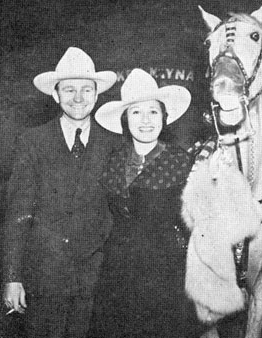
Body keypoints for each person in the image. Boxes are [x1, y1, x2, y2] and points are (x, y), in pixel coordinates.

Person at [2, 47, 121, 338]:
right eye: (69, 90)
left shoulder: (114, 144)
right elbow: (18, 213)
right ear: (55, 95)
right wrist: (12, 277)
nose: (78, 98)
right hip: (44, 278)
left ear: (96, 94)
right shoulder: (33, 141)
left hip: (96, 281)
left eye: (86, 90)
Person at [87, 69, 206, 338]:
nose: (145, 121)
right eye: (135, 112)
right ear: (125, 120)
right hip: (116, 275)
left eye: (153, 112)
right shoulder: (113, 160)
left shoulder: (181, 162)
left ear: (164, 118)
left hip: (164, 275)